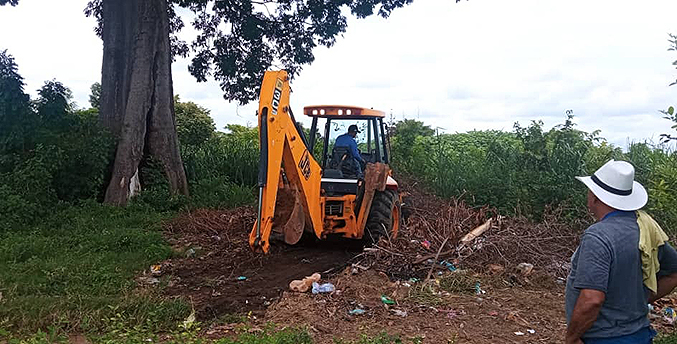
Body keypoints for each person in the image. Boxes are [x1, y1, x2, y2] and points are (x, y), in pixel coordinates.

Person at [566, 160, 677, 344]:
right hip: (640, 334)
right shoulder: (646, 228)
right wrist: (642, 298)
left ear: (594, 197)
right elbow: (674, 273)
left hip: (603, 338)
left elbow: (592, 299)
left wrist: (571, 337)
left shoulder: (598, 236)